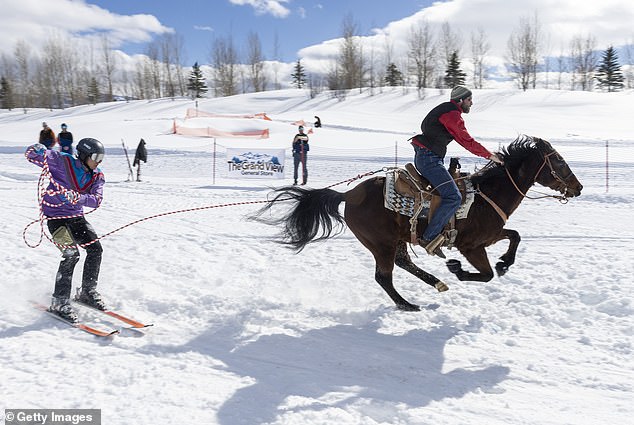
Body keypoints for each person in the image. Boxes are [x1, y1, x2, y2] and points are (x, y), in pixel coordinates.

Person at [411, 85, 503, 258]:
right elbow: (466, 141)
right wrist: (490, 156)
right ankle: (429, 237)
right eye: (469, 100)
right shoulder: (452, 114)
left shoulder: (446, 111)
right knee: (454, 196)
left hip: (428, 157)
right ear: (460, 100)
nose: (472, 103)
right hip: (429, 159)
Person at [25, 138, 107, 322]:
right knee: (71, 254)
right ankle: (59, 301)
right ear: (84, 155)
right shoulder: (62, 161)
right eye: (96, 157)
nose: (99, 161)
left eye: (102, 157)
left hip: (76, 218)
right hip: (56, 220)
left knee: (95, 249)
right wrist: (37, 149)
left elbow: (96, 200)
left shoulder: (97, 176)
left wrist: (79, 198)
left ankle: (87, 291)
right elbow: (32, 155)